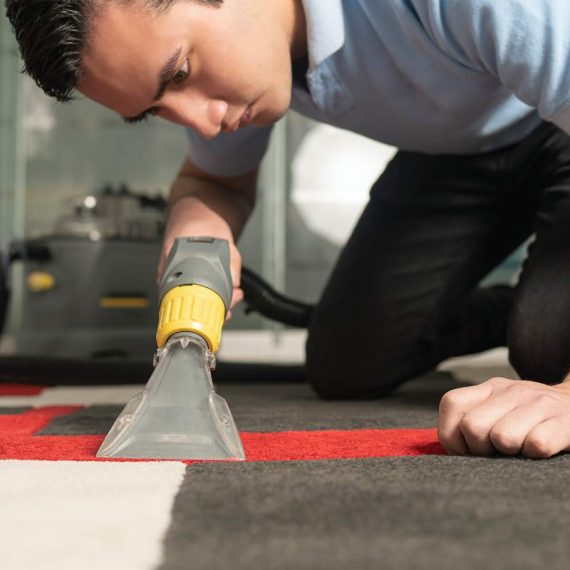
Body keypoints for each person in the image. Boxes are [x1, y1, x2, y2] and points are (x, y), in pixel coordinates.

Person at [6, 0, 570, 459]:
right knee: (347, 363)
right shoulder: (248, 66)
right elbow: (213, 180)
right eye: (157, 108)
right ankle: (520, 305)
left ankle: (540, 317)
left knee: (547, 345)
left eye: (180, 72)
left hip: (556, 127)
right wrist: (198, 223)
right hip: (458, 152)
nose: (201, 121)